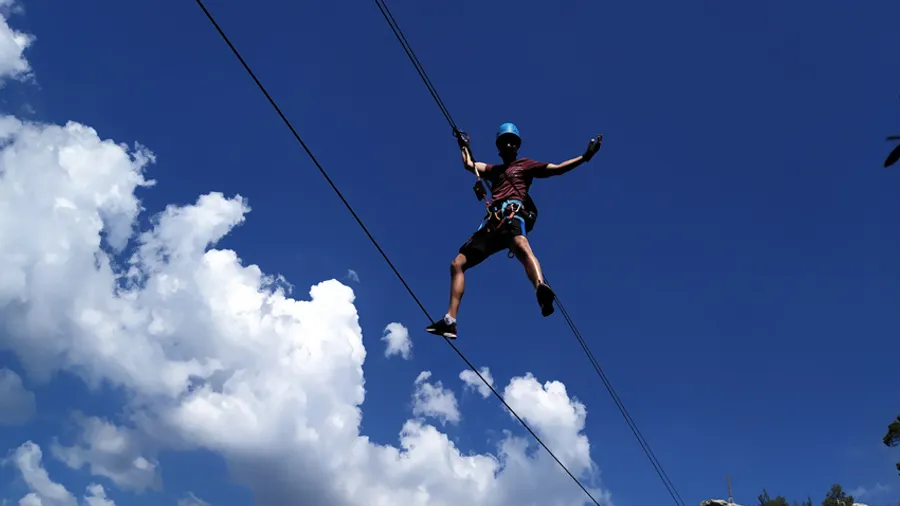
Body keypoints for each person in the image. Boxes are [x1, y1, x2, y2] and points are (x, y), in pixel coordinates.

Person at [425, 122, 603, 339]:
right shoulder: (494, 171)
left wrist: (585, 157)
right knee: (457, 264)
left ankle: (540, 287)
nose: (508, 145)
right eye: (504, 142)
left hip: (511, 216)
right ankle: (450, 321)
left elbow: (556, 169)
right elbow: (469, 164)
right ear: (499, 148)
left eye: (512, 142)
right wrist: (463, 145)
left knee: (521, 244)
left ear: (517, 146)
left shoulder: (526, 166)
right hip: (492, 224)